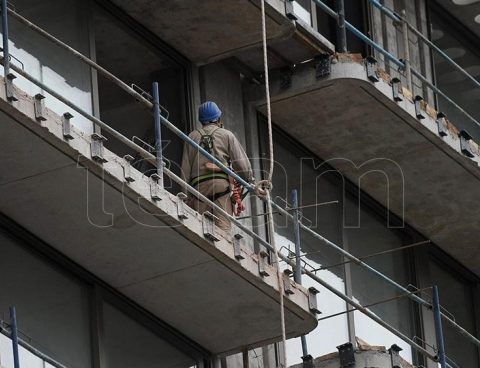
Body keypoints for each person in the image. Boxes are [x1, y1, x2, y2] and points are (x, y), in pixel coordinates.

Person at [181, 101, 253, 231]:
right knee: (223, 233)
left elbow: (185, 170)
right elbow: (243, 167)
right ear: (218, 118)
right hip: (221, 187)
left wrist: (187, 197)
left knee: (201, 230)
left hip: (199, 189)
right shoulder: (226, 135)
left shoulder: (192, 136)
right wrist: (246, 178)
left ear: (201, 120)